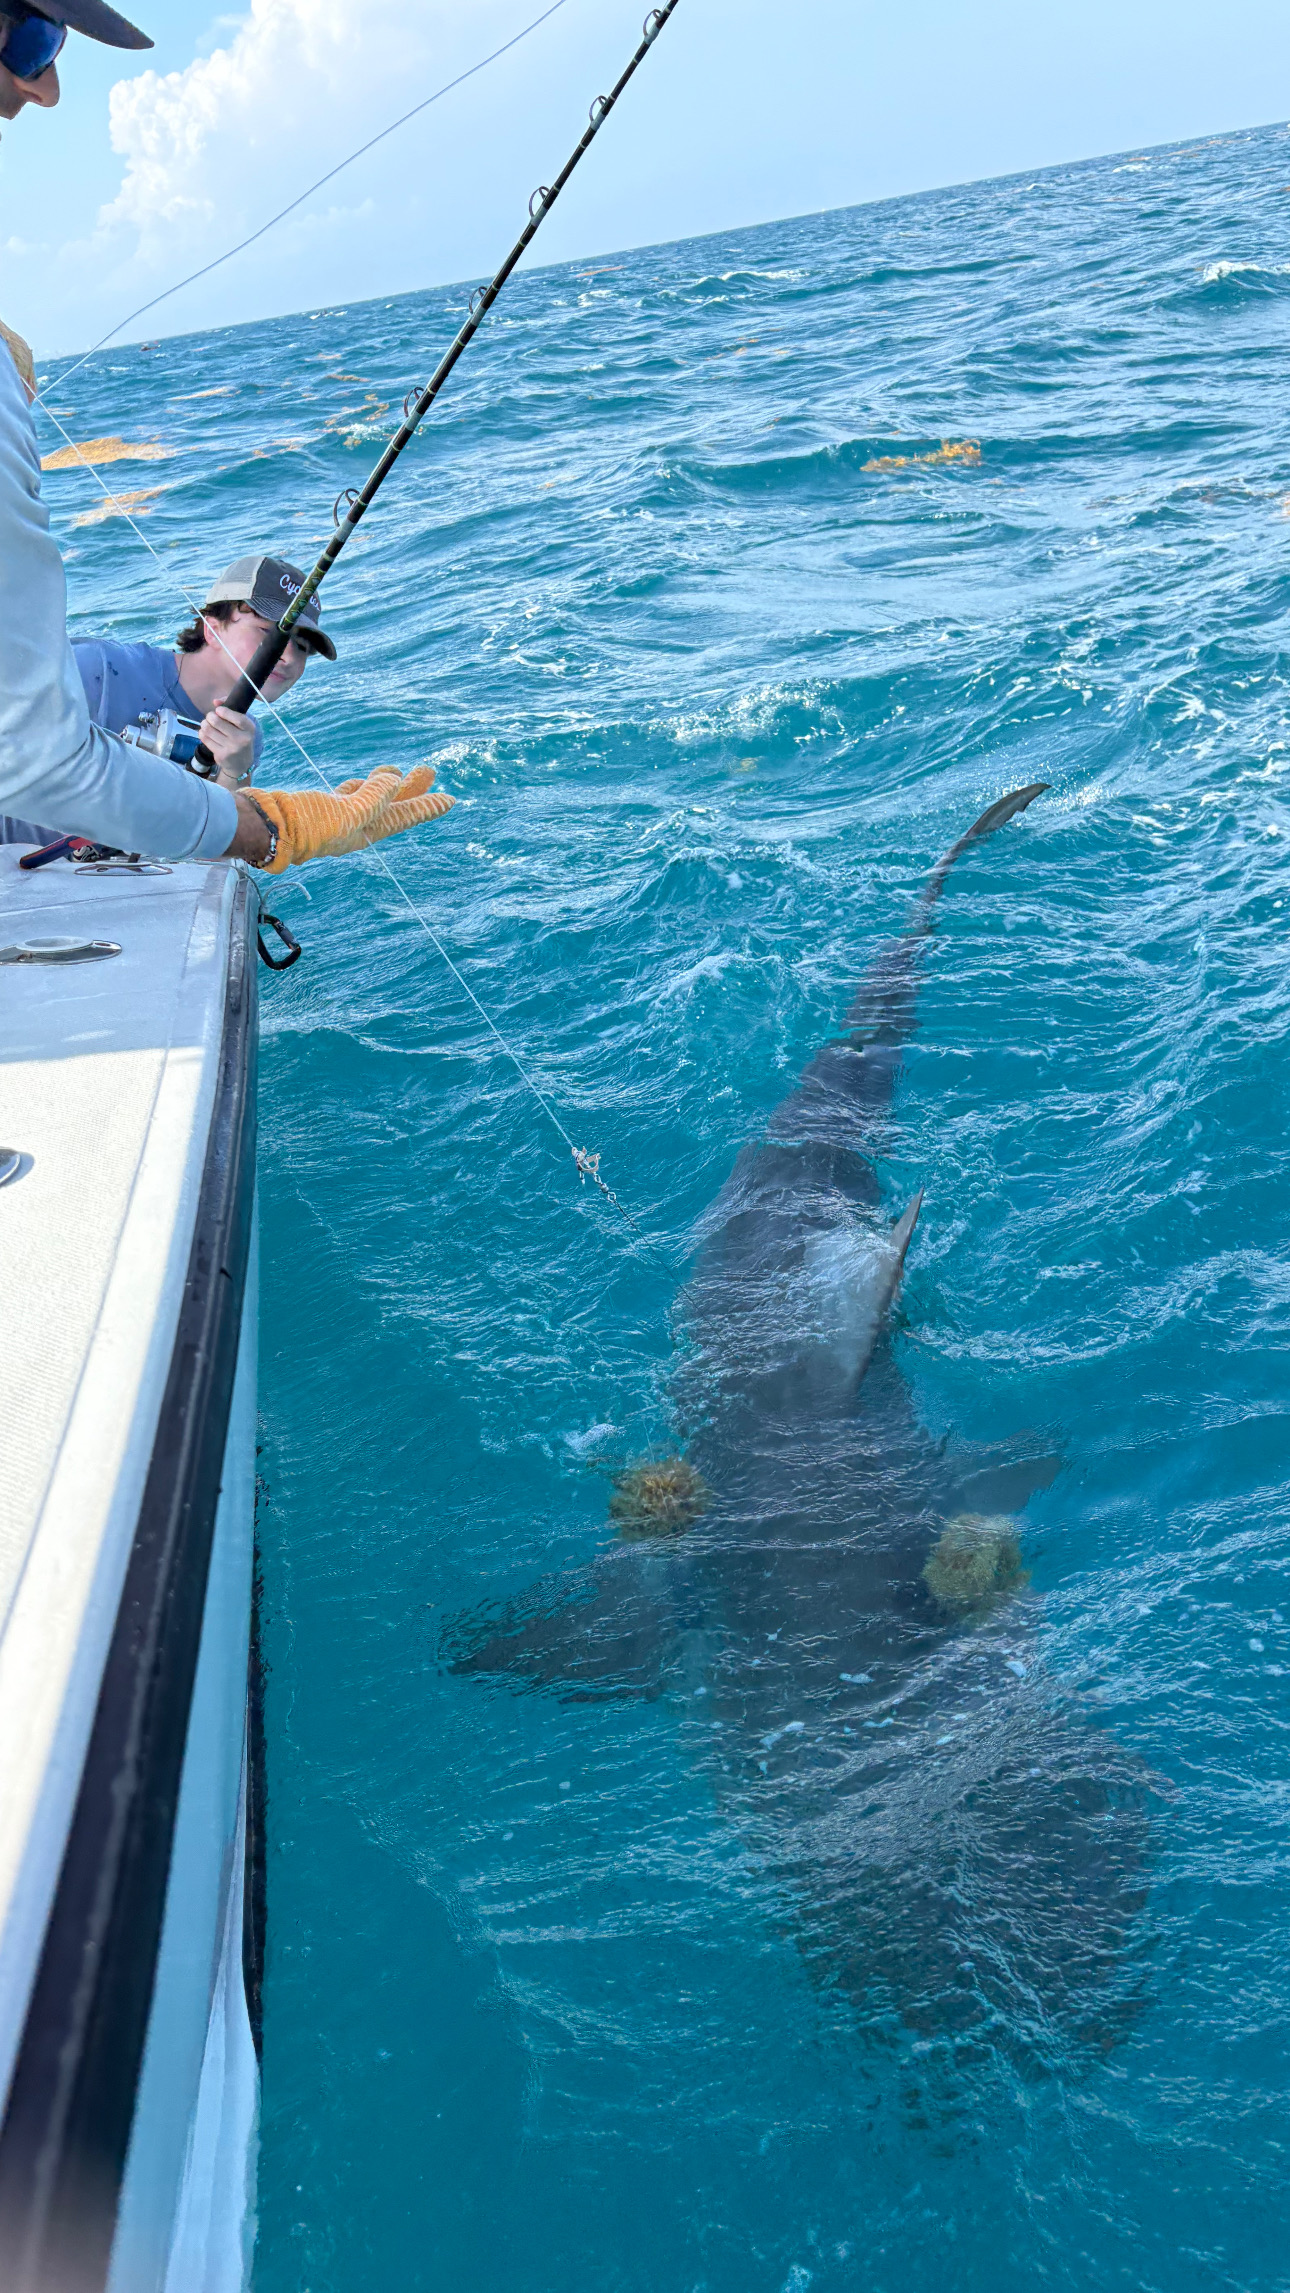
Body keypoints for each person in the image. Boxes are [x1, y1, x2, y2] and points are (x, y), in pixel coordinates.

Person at [0, 0, 451, 874]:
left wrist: (237, 787)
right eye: (32, 36)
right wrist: (266, 826)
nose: (45, 86)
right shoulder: (98, 672)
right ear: (208, 621)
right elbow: (36, 758)